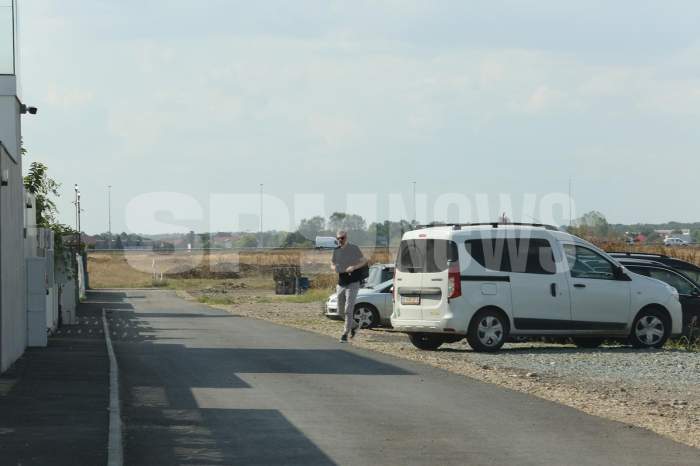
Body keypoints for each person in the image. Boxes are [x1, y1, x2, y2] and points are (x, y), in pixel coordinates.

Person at [331, 230, 368, 342]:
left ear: (346, 237)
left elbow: (364, 261)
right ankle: (354, 325)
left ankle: (345, 334)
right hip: (341, 283)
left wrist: (354, 267)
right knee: (341, 311)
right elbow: (332, 263)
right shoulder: (336, 250)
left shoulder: (354, 249)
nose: (340, 240)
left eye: (342, 238)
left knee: (348, 309)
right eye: (338, 238)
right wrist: (333, 268)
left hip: (353, 283)